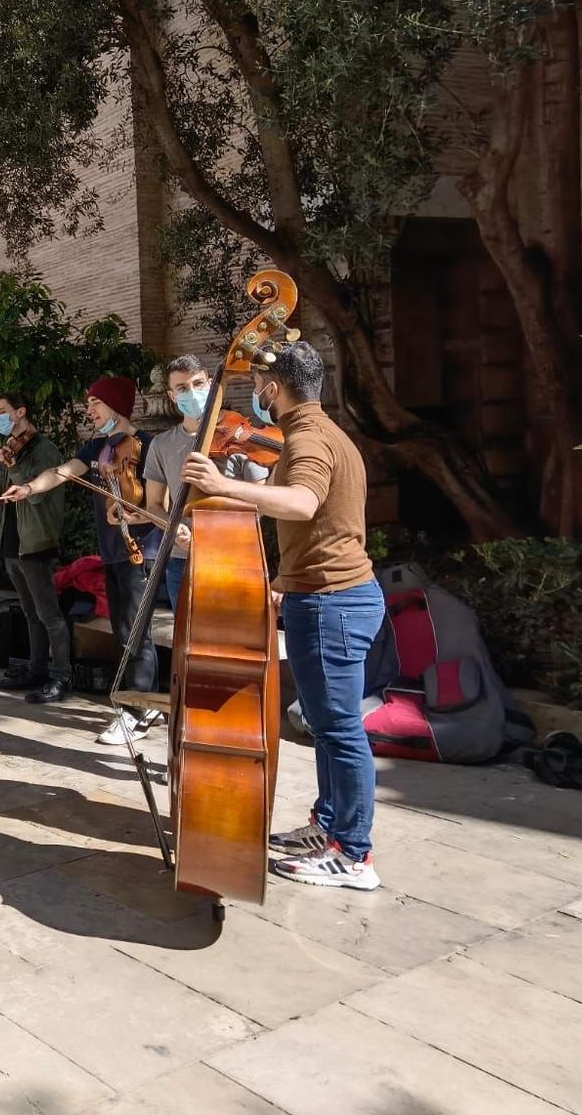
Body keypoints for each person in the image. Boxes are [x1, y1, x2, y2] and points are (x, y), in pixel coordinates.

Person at [180, 340, 384, 891]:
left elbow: (302, 504)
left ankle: (354, 853)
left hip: (332, 602)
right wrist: (281, 581)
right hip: (325, 594)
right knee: (325, 726)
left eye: (258, 388)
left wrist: (223, 486)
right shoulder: (324, 431)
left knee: (341, 732)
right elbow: (319, 527)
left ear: (272, 389)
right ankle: (328, 825)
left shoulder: (310, 440)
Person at [4, 377, 162, 744]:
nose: (89, 411)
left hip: (142, 551)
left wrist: (139, 513)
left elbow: (159, 502)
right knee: (125, 631)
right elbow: (62, 472)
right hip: (112, 551)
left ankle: (137, 710)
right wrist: (28, 488)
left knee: (135, 631)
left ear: (117, 407)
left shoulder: (149, 446)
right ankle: (142, 704)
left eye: (96, 404)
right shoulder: (96, 448)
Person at [143, 354, 270, 611]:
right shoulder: (162, 444)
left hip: (235, 556)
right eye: (182, 388)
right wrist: (173, 526)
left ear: (211, 384)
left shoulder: (240, 434)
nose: (192, 392)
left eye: (198, 384)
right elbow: (154, 504)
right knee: (188, 645)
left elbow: (262, 500)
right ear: (172, 396)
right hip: (182, 560)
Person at [0, 394, 74, 703]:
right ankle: (37, 671)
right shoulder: (9, 450)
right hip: (11, 541)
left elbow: (35, 494)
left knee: (49, 614)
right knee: (30, 612)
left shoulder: (43, 449)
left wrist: (13, 467)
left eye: (2, 412)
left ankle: (61, 677)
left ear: (20, 412)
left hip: (36, 541)